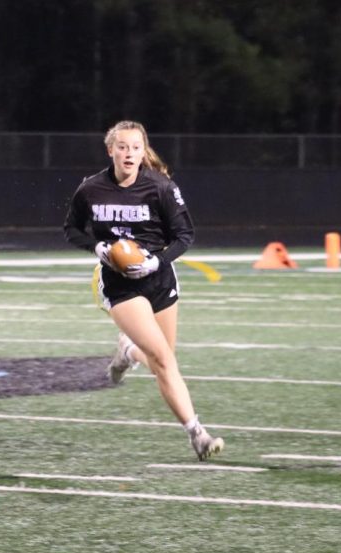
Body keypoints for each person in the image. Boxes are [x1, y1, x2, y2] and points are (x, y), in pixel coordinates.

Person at [63, 120, 224, 460]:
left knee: (163, 361)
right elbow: (72, 229)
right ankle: (197, 433)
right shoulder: (91, 189)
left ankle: (127, 353)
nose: (129, 153)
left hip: (158, 279)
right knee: (163, 359)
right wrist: (98, 249)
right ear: (111, 150)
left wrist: (157, 261)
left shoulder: (161, 187)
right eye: (122, 147)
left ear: (143, 150)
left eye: (135, 147)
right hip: (121, 285)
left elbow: (185, 236)